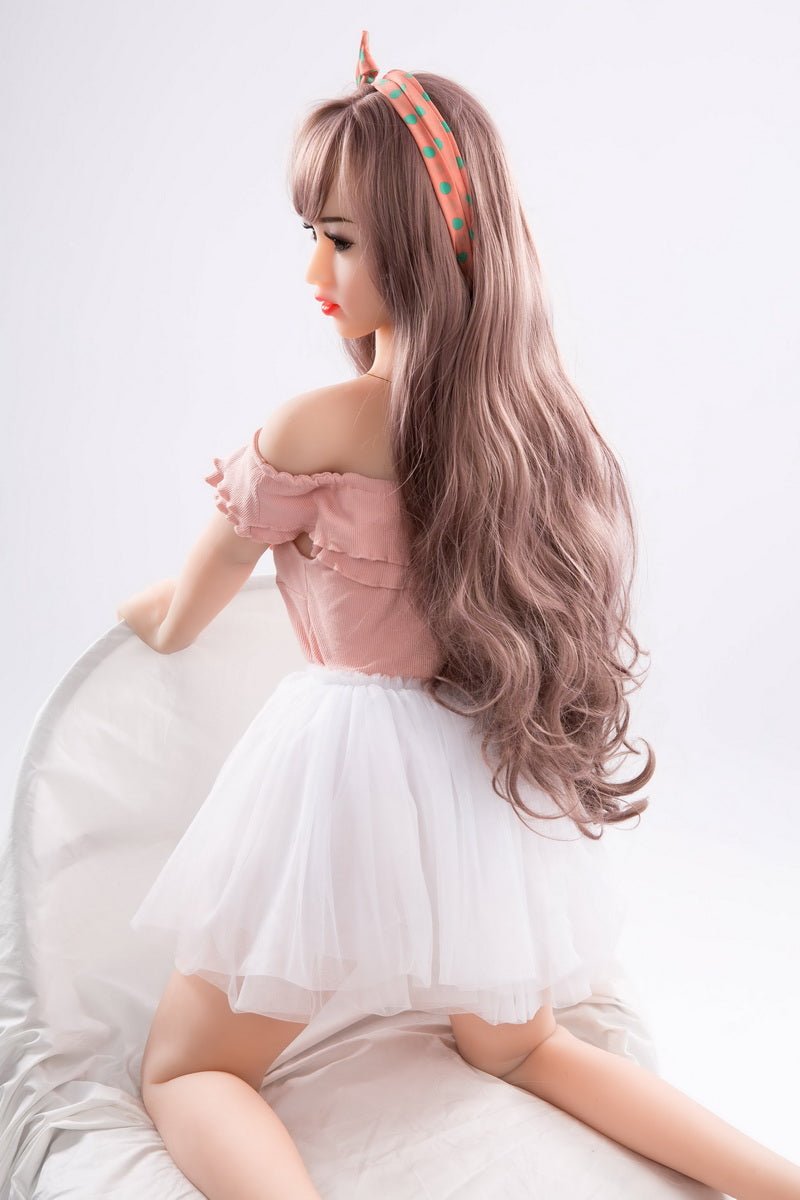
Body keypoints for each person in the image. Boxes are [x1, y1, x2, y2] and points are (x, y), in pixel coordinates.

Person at [116, 29, 800, 1200]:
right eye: (311, 234)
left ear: (423, 251)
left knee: (189, 1068)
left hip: (339, 777)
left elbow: (196, 596)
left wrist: (159, 617)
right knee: (519, 1042)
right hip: (472, 774)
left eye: (339, 240)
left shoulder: (319, 424)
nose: (314, 268)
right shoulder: (527, 428)